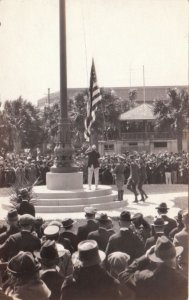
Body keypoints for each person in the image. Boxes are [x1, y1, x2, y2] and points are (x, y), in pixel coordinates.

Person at [119, 236, 187, 300]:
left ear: (156, 260)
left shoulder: (143, 277)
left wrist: (145, 257)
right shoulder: (183, 281)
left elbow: (124, 274)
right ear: (176, 256)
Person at [173, 211, 188, 278]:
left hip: (185, 269)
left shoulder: (178, 236)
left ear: (183, 221)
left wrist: (177, 269)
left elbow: (174, 255)